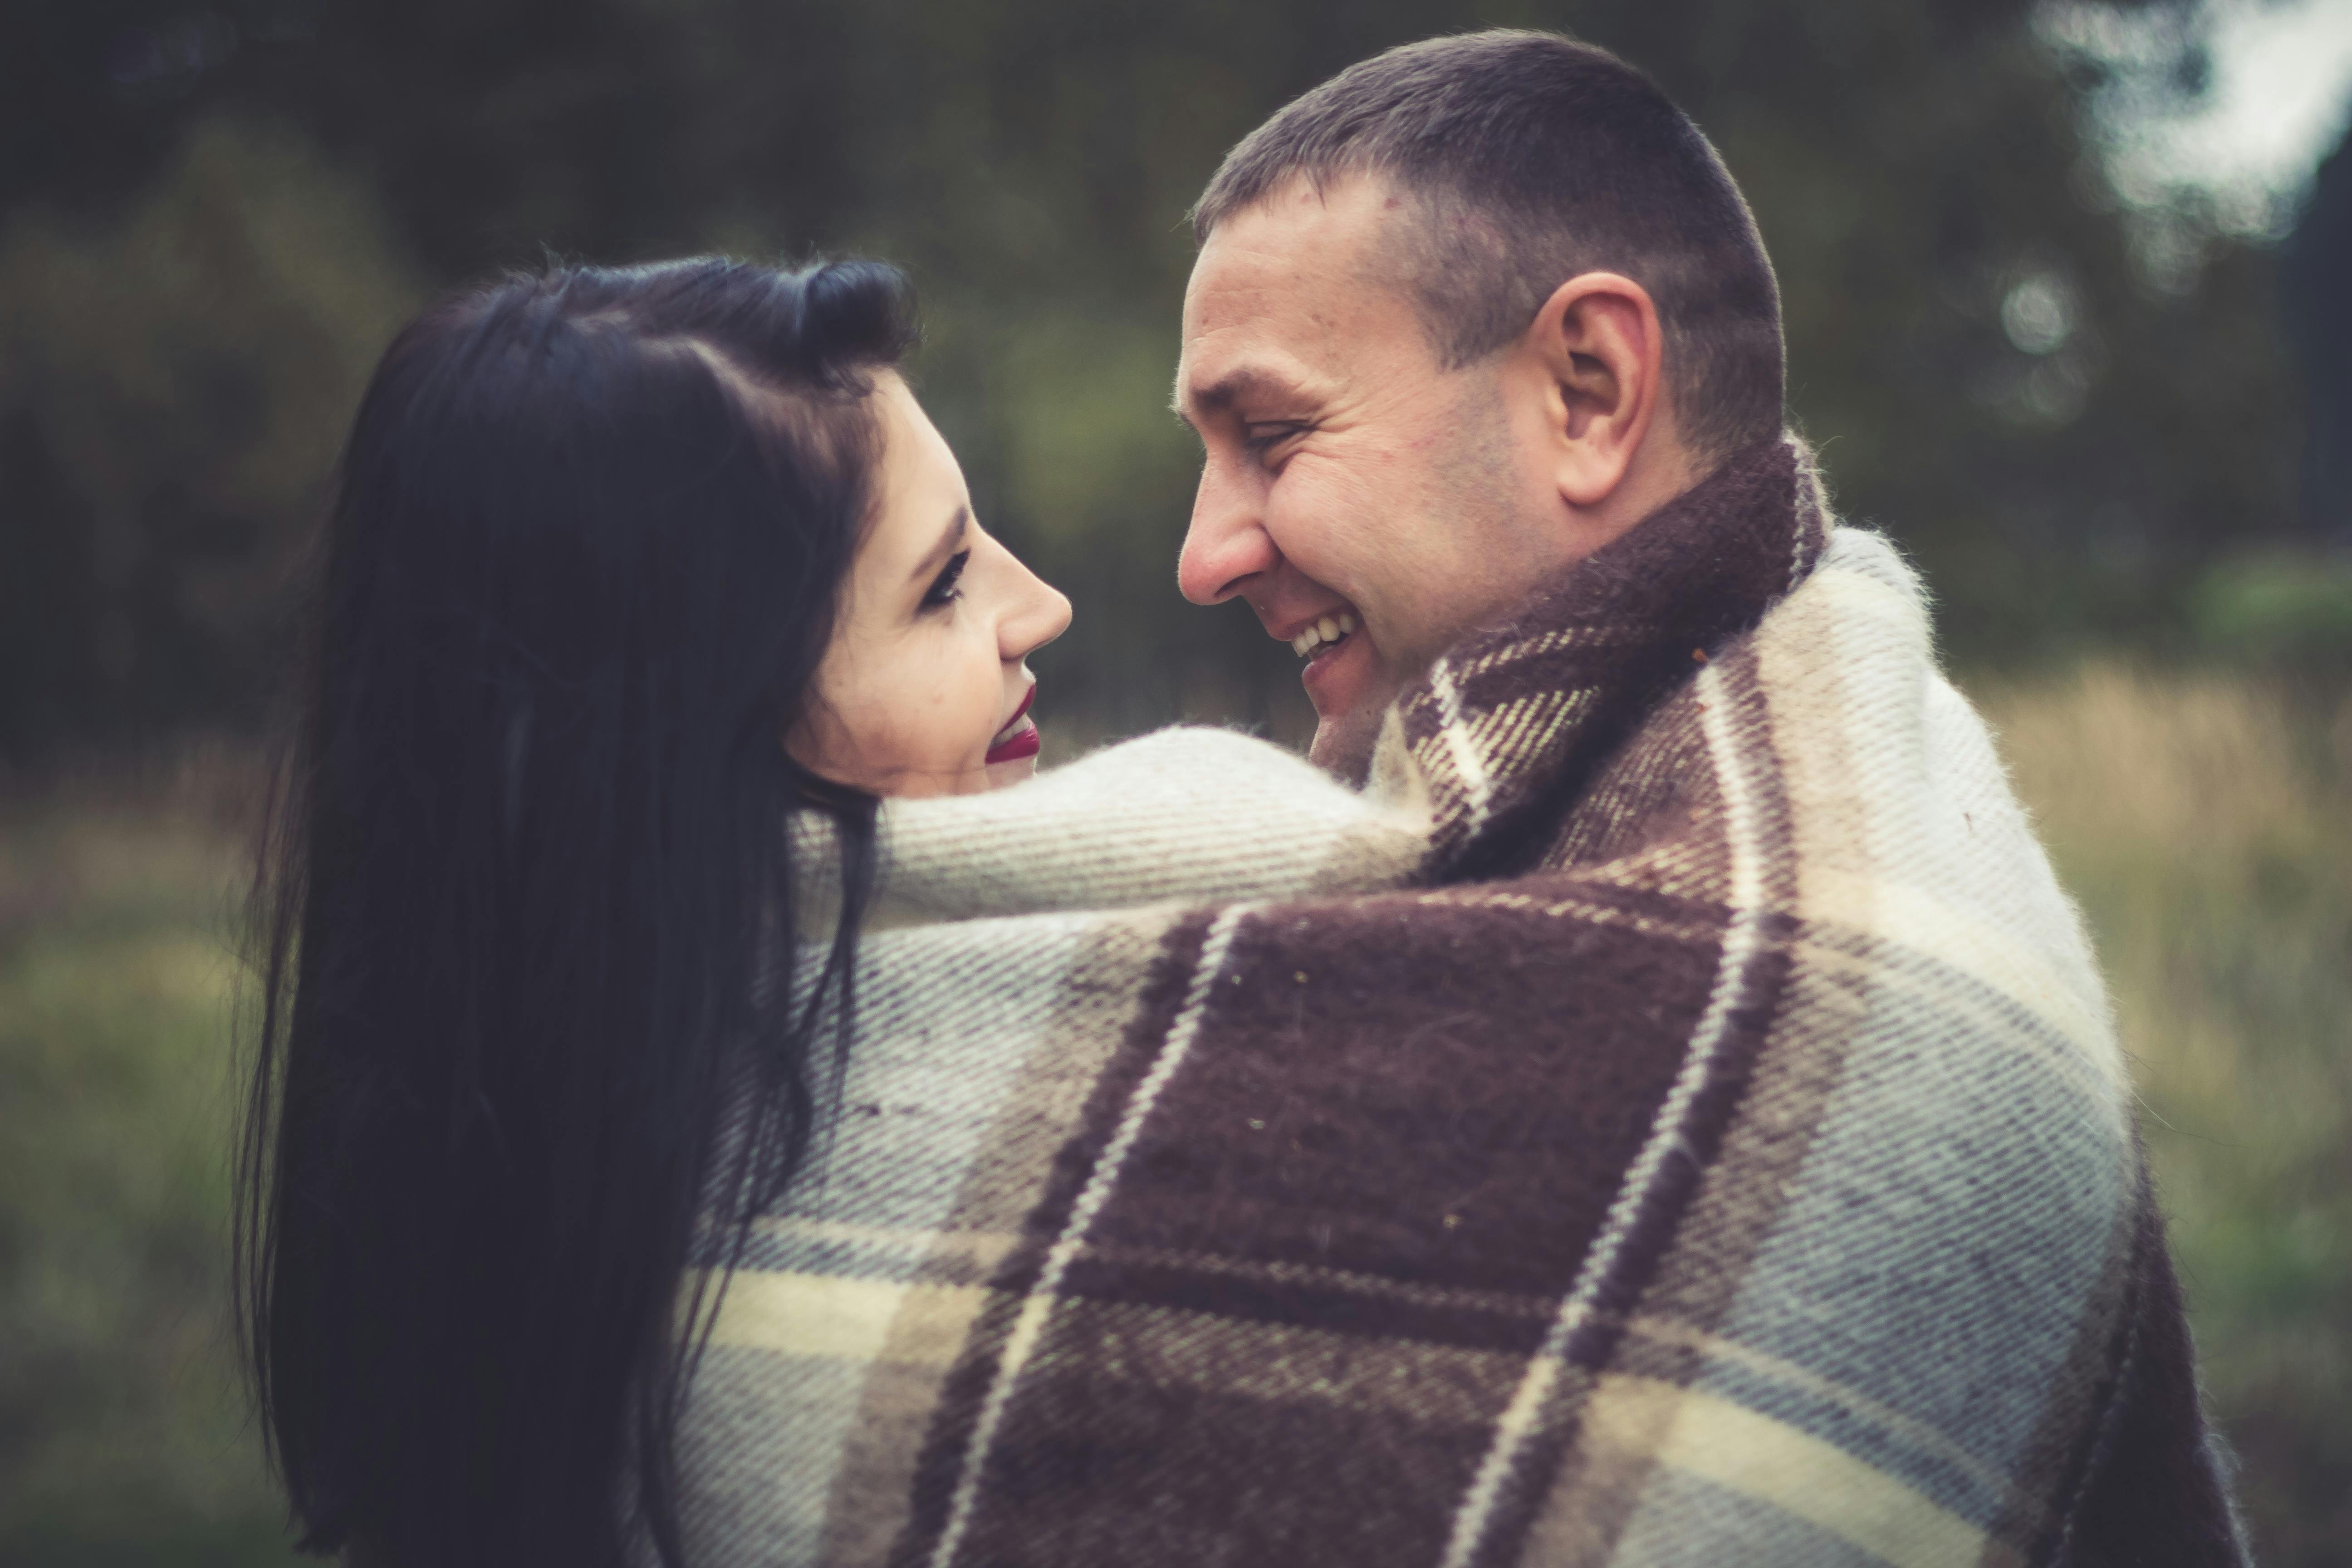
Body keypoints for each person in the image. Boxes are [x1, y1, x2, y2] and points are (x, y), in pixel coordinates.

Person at [669, 29, 2252, 1568]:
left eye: (1272, 435)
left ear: (1586, 387)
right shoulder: (1537, 851)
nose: (1202, 554)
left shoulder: (1852, 975)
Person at [234, 255, 1078, 1568]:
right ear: (681, 741)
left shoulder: (500, 1230)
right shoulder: (847, 1267)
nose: (1044, 607)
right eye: (942, 585)